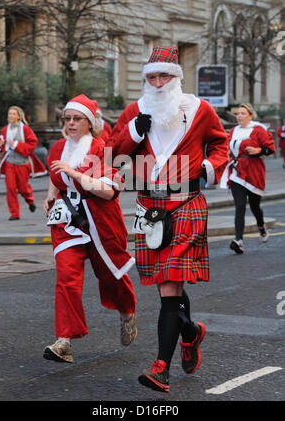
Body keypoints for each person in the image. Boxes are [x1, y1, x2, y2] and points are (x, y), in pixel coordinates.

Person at [106, 47, 229, 393]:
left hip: (187, 203)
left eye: (164, 77)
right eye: (152, 77)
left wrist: (209, 167)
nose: (158, 84)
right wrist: (132, 132)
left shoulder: (199, 110)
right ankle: (190, 333)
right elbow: (112, 154)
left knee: (171, 285)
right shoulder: (135, 111)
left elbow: (221, 145)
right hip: (149, 209)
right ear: (145, 79)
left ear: (176, 78)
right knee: (167, 286)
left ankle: (161, 368)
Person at [43, 94, 137, 364]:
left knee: (110, 276)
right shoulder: (59, 147)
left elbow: (108, 191)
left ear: (90, 122)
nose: (71, 124)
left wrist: (74, 175)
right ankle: (64, 341)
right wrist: (51, 193)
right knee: (66, 278)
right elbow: (55, 174)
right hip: (67, 222)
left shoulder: (103, 148)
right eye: (67, 119)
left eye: (77, 119)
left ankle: (127, 312)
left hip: (99, 221)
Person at [220, 103, 275, 254]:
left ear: (250, 115)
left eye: (243, 113)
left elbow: (270, 148)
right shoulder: (233, 131)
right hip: (237, 173)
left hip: (254, 172)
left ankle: (262, 227)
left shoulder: (258, 130)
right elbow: (227, 149)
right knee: (240, 207)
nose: (239, 116)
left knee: (255, 207)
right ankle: (239, 241)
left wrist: (258, 150)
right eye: (237, 113)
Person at [0, 106, 46, 220]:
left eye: (13, 114)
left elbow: (32, 144)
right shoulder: (5, 129)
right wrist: (0, 144)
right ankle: (14, 214)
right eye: (9, 114)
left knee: (23, 188)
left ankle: (30, 200)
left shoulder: (26, 129)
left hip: (23, 162)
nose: (10, 116)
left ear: (18, 116)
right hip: (9, 163)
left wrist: (15, 144)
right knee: (10, 189)